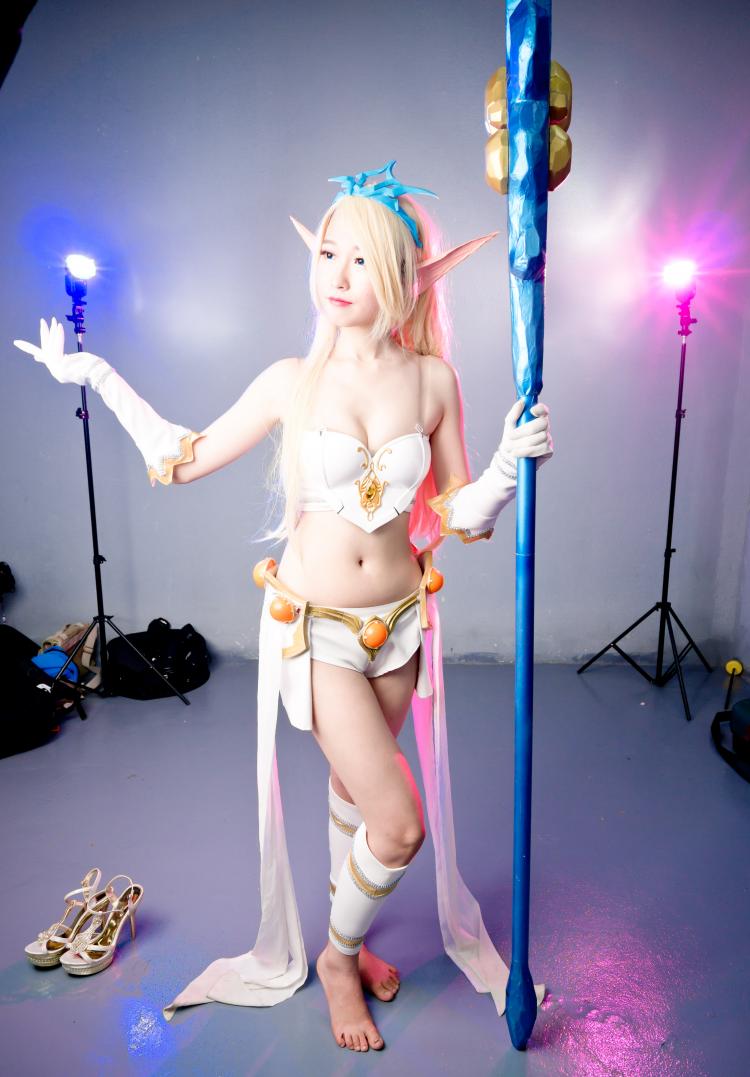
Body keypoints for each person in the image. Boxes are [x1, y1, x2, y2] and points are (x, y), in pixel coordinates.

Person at [14, 161, 552, 1053]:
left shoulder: (433, 381)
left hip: (400, 625)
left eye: (359, 259)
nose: (336, 275)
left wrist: (502, 466)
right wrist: (96, 373)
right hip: (317, 634)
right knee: (399, 824)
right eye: (328, 253)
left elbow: (462, 515)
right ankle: (338, 958)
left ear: (403, 277)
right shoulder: (289, 380)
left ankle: (355, 935)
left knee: (352, 790)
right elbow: (182, 456)